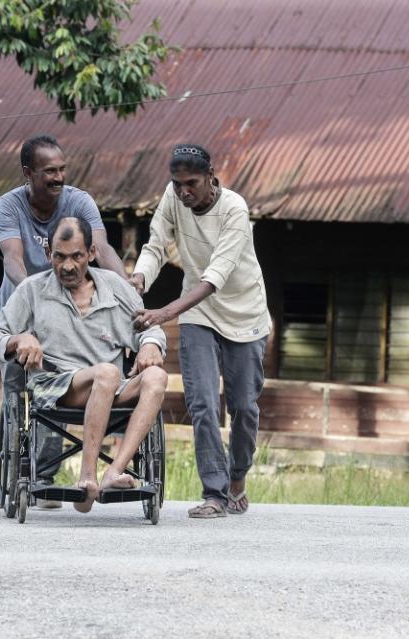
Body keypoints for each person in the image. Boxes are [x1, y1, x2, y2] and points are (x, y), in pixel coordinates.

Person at [0, 217, 168, 514]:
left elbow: (150, 328)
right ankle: (87, 477)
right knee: (106, 372)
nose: (68, 266)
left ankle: (113, 472)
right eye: (60, 256)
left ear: (91, 253)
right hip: (57, 387)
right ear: (48, 255)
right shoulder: (32, 290)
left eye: (76, 256)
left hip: (109, 388)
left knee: (156, 377)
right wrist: (18, 339)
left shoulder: (116, 288)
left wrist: (149, 344)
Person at [130, 143, 271, 519]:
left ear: (211, 177)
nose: (183, 191)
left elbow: (215, 279)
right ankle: (214, 492)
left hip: (244, 313)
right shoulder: (173, 197)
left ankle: (237, 475)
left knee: (243, 406)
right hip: (198, 315)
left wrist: (164, 313)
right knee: (203, 403)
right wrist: (140, 276)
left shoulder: (234, 209)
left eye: (191, 183)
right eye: (177, 184)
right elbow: (156, 243)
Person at [0, 134, 127, 508]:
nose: (58, 177)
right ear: (28, 173)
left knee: (58, 380)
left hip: (67, 311)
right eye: (49, 171)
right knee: (20, 390)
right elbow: (13, 259)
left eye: (62, 169)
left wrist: (126, 289)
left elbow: (103, 250)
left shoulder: (79, 201)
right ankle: (20, 467)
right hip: (23, 305)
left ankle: (46, 475)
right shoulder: (8, 206)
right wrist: (36, 297)